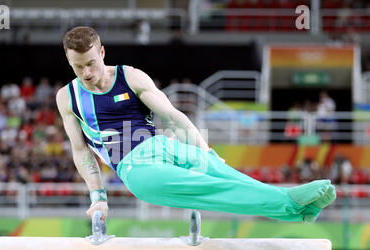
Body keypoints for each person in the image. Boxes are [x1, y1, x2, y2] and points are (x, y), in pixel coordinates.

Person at [56, 26, 337, 223]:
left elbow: (175, 117)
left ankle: (300, 210)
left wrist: (205, 151)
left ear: (102, 52)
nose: (86, 73)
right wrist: (98, 195)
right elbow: (81, 151)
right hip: (136, 169)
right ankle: (290, 202)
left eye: (91, 63)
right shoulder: (68, 97)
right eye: (78, 66)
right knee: (217, 190)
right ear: (69, 61)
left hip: (163, 146)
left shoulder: (131, 77)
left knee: (224, 173)